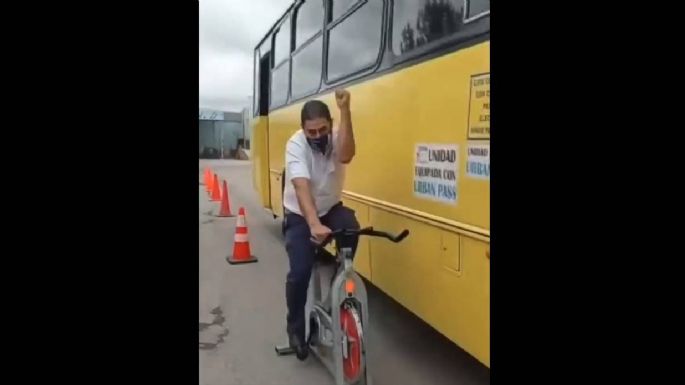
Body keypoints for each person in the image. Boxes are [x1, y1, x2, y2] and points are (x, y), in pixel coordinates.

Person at [282, 89, 360, 360]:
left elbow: (347, 155)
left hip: (330, 207)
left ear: (330, 123)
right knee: (300, 272)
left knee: (351, 227)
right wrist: (313, 223)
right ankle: (294, 329)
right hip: (300, 214)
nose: (316, 136)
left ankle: (338, 286)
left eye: (322, 130)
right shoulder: (295, 145)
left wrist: (346, 110)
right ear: (303, 130)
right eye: (311, 132)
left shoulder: (339, 135)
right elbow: (301, 188)